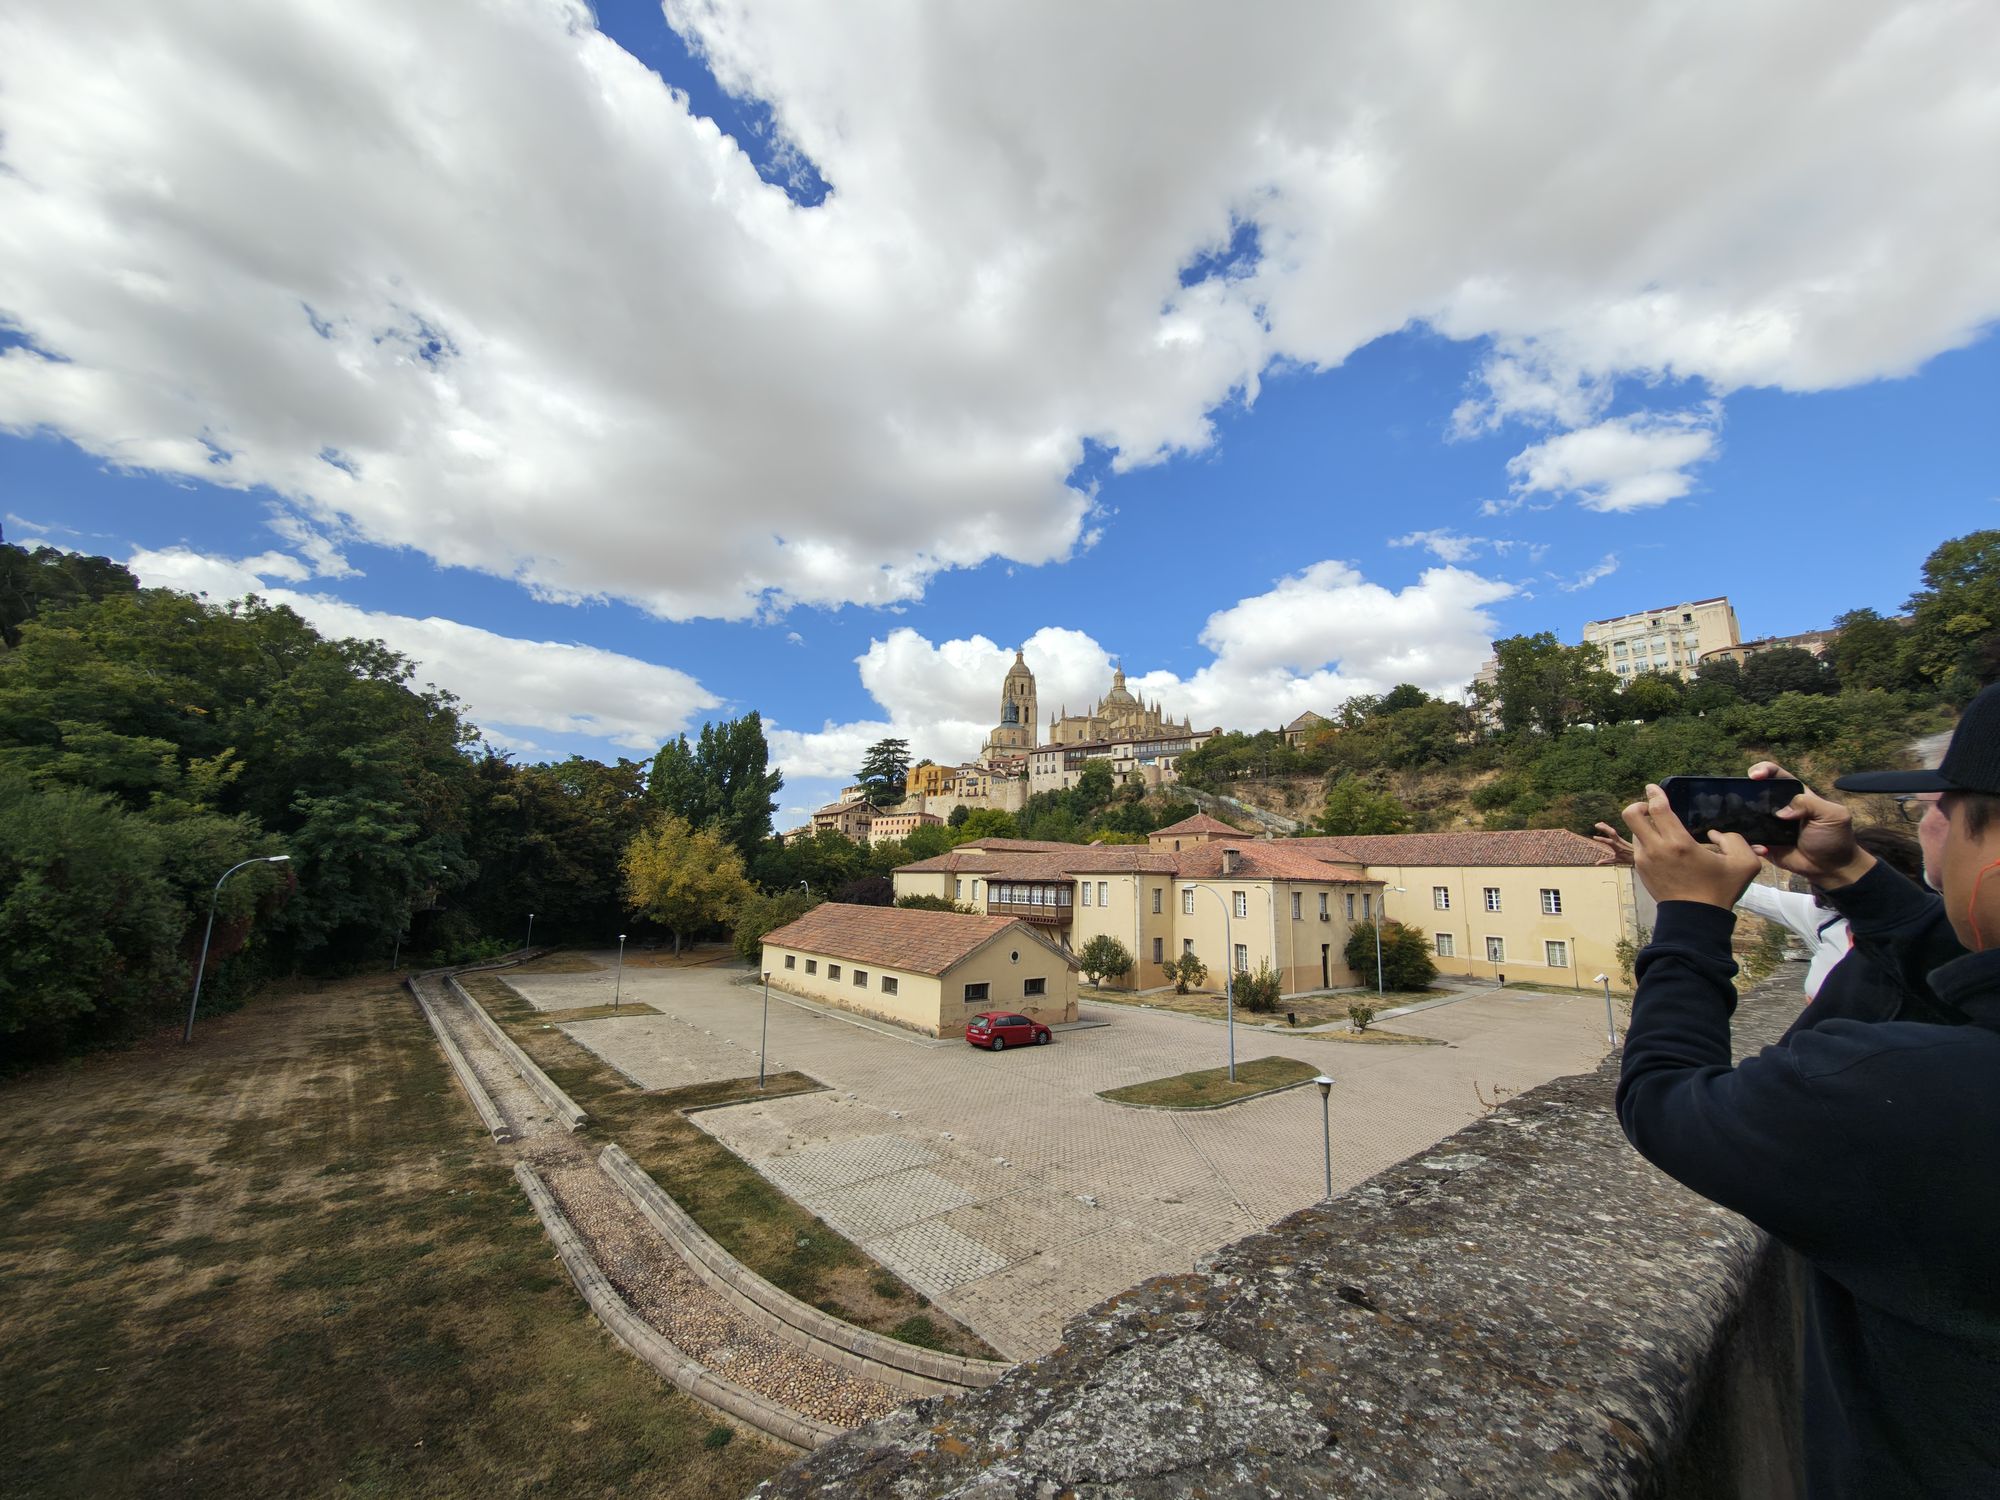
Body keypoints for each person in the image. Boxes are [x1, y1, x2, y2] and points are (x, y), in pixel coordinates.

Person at [1614, 680, 2000, 1498]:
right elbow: (1964, 979)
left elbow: (1663, 1100)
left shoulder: (1896, 1088)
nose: (1923, 825)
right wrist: (1855, 872)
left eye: (1941, 803)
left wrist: (1685, 919)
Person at [1591, 821, 1928, 1001]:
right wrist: (1645, 860)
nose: (1810, 880)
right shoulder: (1824, 917)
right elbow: (1750, 893)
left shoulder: (1935, 938)